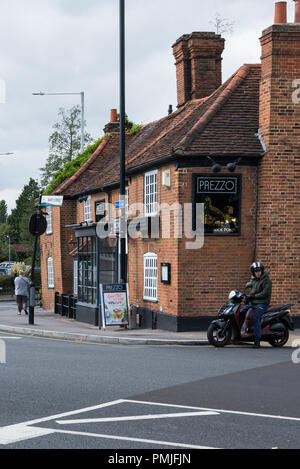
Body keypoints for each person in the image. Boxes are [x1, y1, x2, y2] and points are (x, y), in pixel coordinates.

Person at [239, 262, 272, 348]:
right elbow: (251, 291)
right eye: (256, 271)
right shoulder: (253, 280)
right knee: (241, 312)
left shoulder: (266, 280)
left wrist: (253, 296)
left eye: (259, 271)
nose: (258, 273)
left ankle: (257, 341)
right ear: (253, 272)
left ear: (262, 270)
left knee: (255, 317)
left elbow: (265, 293)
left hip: (262, 303)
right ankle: (238, 332)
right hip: (253, 303)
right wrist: (248, 298)